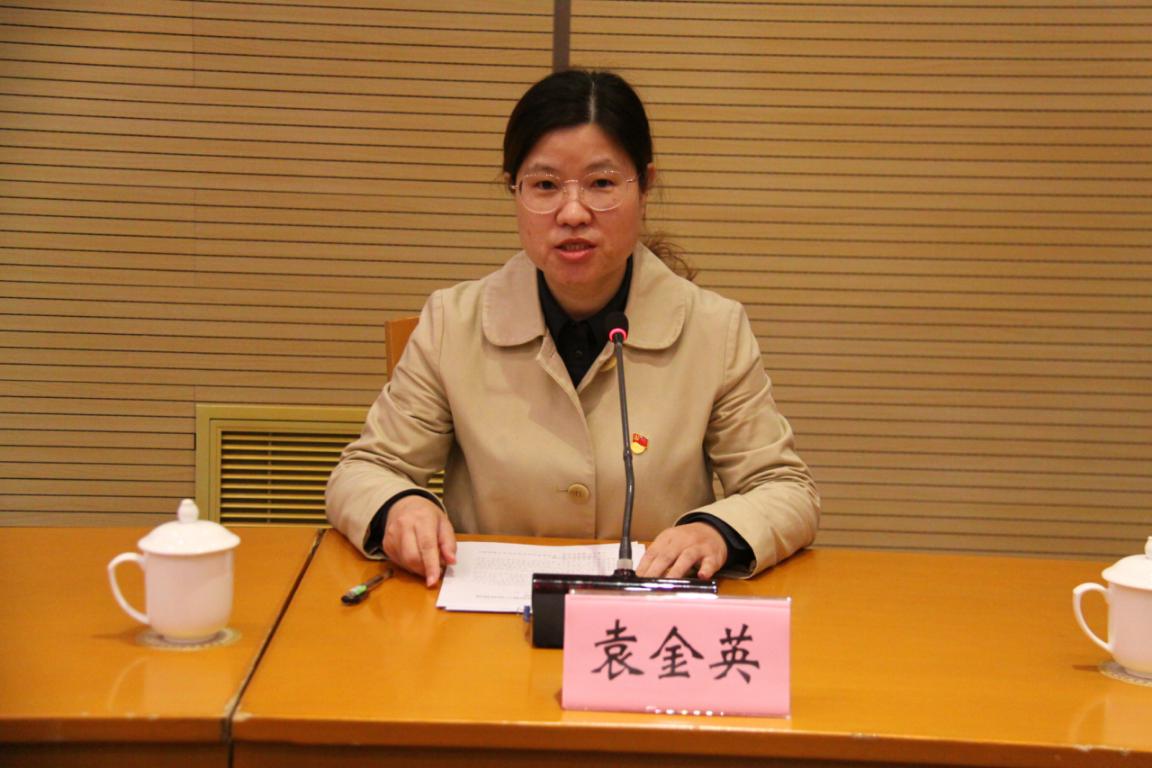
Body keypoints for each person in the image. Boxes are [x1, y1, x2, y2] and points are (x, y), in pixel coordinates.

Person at [326, 69, 819, 587]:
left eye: (602, 183)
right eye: (545, 186)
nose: (573, 212)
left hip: (645, 615)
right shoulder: (453, 322)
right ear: (514, 190)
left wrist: (717, 531)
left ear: (645, 187)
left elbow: (785, 488)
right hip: (486, 617)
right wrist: (400, 505)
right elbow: (365, 470)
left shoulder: (714, 330)